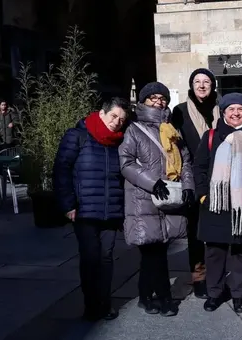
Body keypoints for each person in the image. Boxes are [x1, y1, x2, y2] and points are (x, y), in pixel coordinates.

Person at [192, 92, 242, 314]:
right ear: (223, 112)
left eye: (240, 109)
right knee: (214, 253)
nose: (236, 113)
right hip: (216, 205)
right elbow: (199, 168)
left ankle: (238, 294)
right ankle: (214, 293)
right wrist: (203, 195)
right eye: (231, 109)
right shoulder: (211, 136)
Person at [120, 82, 194, 317]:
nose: (159, 102)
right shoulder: (134, 130)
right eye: (153, 98)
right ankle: (165, 298)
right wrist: (153, 182)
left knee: (156, 251)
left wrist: (188, 186)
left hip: (169, 198)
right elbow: (126, 163)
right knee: (154, 253)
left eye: (162, 98)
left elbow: (185, 161)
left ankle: (145, 296)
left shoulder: (172, 130)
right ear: (143, 102)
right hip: (143, 198)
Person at [52, 97, 130, 321]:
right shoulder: (78, 136)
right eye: (113, 116)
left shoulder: (119, 142)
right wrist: (68, 204)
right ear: (102, 113)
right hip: (84, 210)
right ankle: (91, 305)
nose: (116, 122)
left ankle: (104, 304)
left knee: (106, 258)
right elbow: (61, 170)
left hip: (111, 211)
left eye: (121, 119)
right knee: (90, 258)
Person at [171, 68, 220, 299]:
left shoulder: (222, 109)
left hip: (220, 178)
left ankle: (217, 275)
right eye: (197, 81)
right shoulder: (180, 111)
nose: (201, 85)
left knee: (218, 231)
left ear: (213, 85)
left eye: (206, 81)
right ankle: (199, 277)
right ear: (191, 86)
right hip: (193, 178)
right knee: (196, 232)